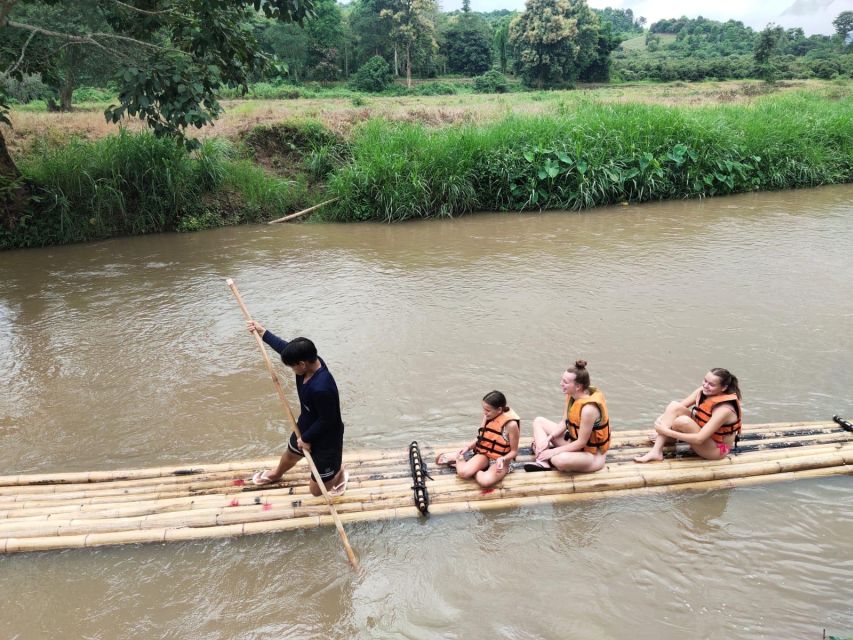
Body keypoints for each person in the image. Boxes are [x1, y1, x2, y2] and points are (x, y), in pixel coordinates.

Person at [246, 320, 348, 497]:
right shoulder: (310, 362)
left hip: (326, 439)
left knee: (316, 491)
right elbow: (285, 348)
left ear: (302, 364)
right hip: (307, 423)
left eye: (292, 366)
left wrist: (307, 438)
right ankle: (276, 474)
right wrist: (264, 333)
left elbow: (328, 420)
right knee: (291, 453)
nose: (291, 369)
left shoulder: (322, 388)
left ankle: (339, 472)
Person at [634, 368, 742, 463]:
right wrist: (661, 419)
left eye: (711, 384)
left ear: (723, 388)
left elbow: (699, 439)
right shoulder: (703, 391)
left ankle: (666, 441)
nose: (705, 385)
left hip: (716, 450)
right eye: (705, 380)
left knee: (683, 421)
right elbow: (676, 409)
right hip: (704, 436)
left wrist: (665, 431)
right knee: (674, 405)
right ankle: (657, 451)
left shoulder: (724, 409)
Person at [525, 360, 610, 473]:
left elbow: (581, 443)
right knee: (538, 421)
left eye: (565, 382)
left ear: (578, 386)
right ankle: (543, 462)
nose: (561, 383)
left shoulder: (588, 409)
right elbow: (564, 422)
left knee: (558, 459)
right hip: (573, 442)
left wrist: (553, 451)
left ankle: (542, 452)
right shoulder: (572, 395)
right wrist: (549, 438)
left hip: (591, 454)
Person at [434, 391, 521, 488]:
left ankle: (474, 469)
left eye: (488, 410)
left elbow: (514, 452)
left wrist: (503, 459)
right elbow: (482, 438)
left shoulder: (511, 425)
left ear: (499, 409)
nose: (485, 413)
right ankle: (461, 459)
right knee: (463, 473)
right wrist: (468, 447)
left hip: (501, 460)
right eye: (484, 409)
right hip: (484, 453)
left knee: (485, 482)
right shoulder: (488, 416)